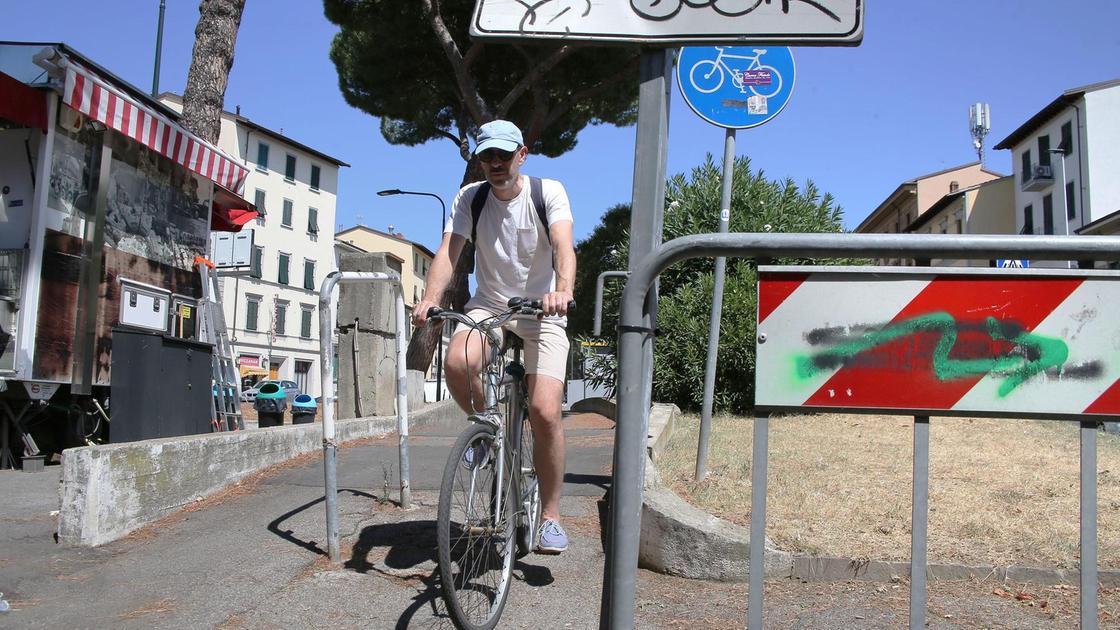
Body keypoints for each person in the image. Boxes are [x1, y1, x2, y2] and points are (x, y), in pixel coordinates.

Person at [412, 120, 576, 554]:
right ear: (480, 159)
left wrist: (563, 291)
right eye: (488, 156)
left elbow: (564, 246)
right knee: (457, 363)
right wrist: (430, 299)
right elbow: (450, 251)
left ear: (522, 154)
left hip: (543, 309)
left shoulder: (548, 192)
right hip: (491, 305)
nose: (496, 164)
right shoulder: (472, 197)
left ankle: (552, 517)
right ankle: (488, 430)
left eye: (504, 155)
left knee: (543, 411)